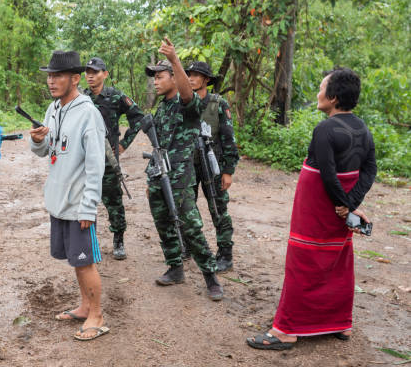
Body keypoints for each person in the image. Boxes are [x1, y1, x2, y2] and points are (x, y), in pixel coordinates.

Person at [247, 67, 377, 350]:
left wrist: (343, 204)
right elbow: (370, 170)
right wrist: (350, 204)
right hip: (339, 207)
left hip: (319, 206)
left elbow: (328, 176)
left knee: (303, 261)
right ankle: (341, 324)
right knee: (338, 260)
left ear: (332, 97)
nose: (318, 94)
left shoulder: (325, 129)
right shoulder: (363, 128)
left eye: (321, 89)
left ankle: (286, 330)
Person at [29, 50, 109, 341]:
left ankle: (98, 315)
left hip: (78, 204)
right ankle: (86, 306)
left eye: (58, 75)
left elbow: (95, 165)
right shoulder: (54, 108)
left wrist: (89, 207)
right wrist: (37, 140)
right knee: (75, 259)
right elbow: (45, 150)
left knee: (85, 260)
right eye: (49, 76)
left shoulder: (89, 113)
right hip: (59, 201)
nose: (51, 81)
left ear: (75, 78)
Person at [144, 38, 223, 301]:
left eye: (160, 76)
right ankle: (175, 267)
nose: (155, 81)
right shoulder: (162, 107)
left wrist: (175, 59)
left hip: (179, 179)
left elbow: (188, 95)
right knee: (163, 224)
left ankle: (210, 277)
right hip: (159, 175)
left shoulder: (187, 105)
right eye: (154, 77)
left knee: (190, 227)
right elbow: (158, 144)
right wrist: (150, 177)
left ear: (174, 79)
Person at [83, 57, 144, 260]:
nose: (90, 75)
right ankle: (88, 241)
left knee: (114, 201)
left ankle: (118, 240)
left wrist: (125, 143)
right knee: (86, 200)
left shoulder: (115, 96)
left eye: (95, 71)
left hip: (109, 160)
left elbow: (138, 117)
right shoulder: (81, 98)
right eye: (88, 72)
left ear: (105, 74)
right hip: (85, 160)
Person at [185, 61, 239, 271]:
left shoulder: (218, 104)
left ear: (206, 80)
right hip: (188, 166)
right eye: (189, 74)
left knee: (218, 209)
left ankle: (225, 254)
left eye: (196, 75)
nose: (191, 78)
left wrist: (228, 171)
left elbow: (228, 138)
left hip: (212, 165)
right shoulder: (183, 102)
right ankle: (188, 247)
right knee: (186, 209)